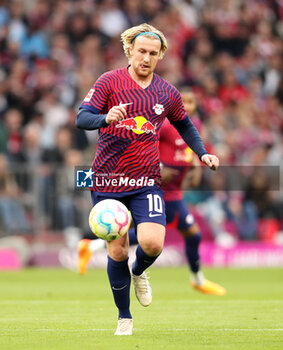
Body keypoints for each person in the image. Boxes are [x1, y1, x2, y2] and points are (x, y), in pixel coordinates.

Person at [76, 23, 219, 336]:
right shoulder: (109, 81)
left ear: (161, 56)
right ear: (130, 50)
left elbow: (185, 125)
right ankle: (124, 317)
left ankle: (139, 272)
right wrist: (105, 117)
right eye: (141, 51)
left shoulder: (167, 93)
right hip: (108, 181)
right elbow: (81, 117)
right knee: (117, 251)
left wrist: (202, 153)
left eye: (153, 53)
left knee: (153, 244)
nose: (146, 57)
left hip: (146, 180)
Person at [78, 90, 226, 297]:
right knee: (160, 237)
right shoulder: (164, 125)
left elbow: (186, 148)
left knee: (171, 236)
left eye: (192, 102)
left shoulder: (194, 125)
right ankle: (196, 279)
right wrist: (158, 168)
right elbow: (144, 144)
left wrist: (195, 163)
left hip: (175, 192)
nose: (189, 106)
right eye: (185, 102)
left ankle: (92, 246)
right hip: (157, 190)